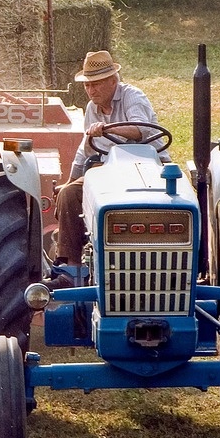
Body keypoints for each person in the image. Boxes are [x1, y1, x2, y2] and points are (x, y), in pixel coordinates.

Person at [51, 50, 167, 277]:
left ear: (113, 80)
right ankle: (72, 268)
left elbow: (140, 129)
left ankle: (193, 261)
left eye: (96, 84)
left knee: (186, 201)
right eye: (87, 85)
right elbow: (85, 150)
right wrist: (69, 181)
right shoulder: (92, 109)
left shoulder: (132, 96)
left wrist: (107, 129)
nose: (91, 90)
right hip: (108, 171)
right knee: (69, 194)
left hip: (148, 167)